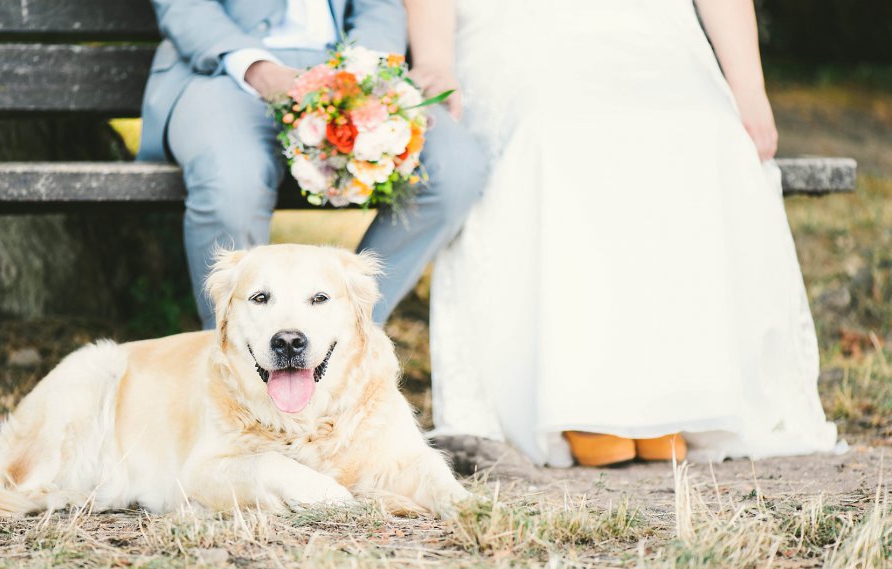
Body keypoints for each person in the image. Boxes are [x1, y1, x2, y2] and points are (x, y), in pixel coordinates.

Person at [411, 0, 840, 467]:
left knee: (703, 125)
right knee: (557, 128)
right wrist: (435, 59)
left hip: (651, 31)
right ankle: (578, 400)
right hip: (513, 28)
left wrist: (750, 88)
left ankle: (679, 396)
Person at [137, 0, 489, 329]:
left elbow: (379, 6)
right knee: (232, 181)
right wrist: (260, 70)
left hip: (344, 68)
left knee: (455, 168)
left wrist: (363, 76)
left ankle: (344, 336)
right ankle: (239, 364)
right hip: (222, 69)